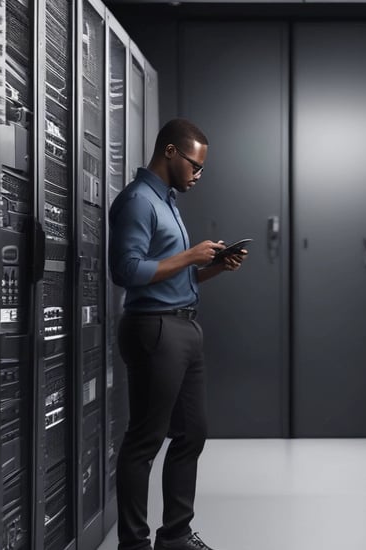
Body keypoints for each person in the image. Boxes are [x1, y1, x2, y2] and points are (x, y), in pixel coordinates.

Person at [109, 119, 247, 550]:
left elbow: (169, 277)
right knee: (145, 440)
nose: (198, 174)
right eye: (194, 165)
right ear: (170, 152)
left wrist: (211, 268)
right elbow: (126, 272)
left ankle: (175, 538)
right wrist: (189, 255)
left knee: (192, 433)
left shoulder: (167, 201)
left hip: (183, 326)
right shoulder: (137, 201)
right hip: (154, 330)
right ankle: (134, 543)